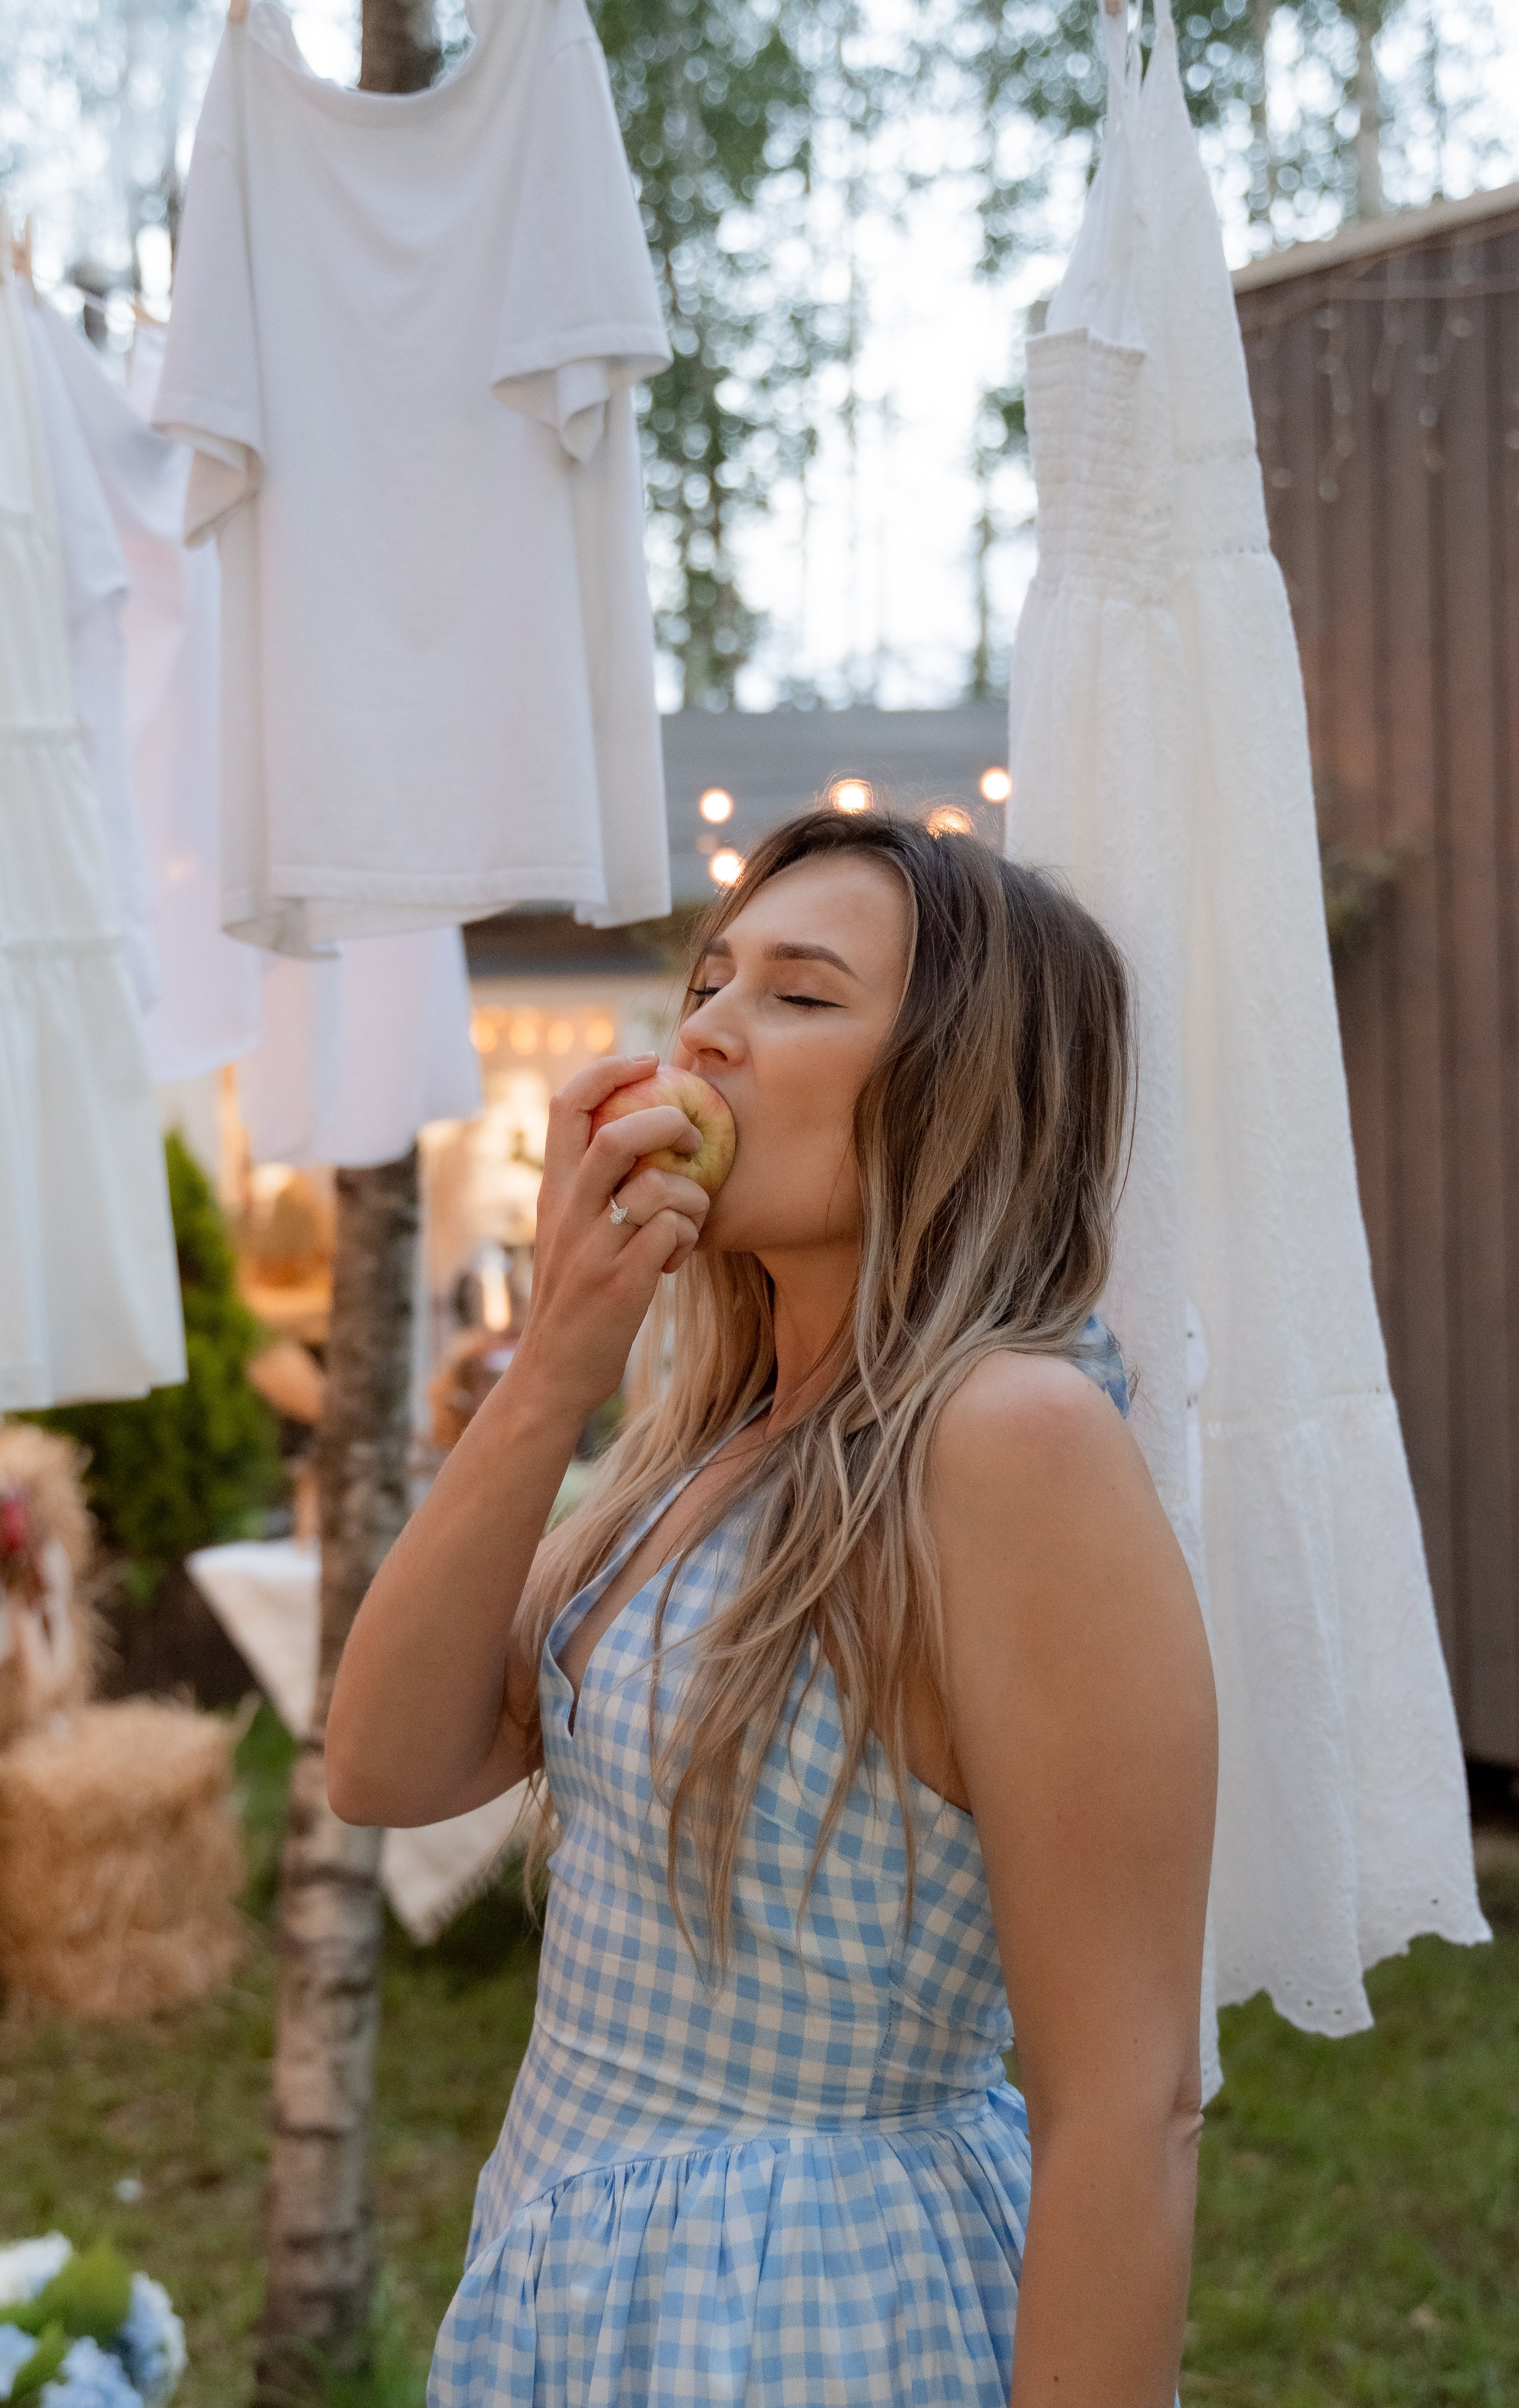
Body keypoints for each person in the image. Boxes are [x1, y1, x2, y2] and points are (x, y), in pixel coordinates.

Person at [326, 806, 1217, 2407]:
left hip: (803, 2313)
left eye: (800, 997)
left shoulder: (1009, 1441)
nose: (710, 1033)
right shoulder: (712, 1445)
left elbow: (1127, 2103)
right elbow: (383, 1766)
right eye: (710, 984)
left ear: (960, 1086)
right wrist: (552, 1371)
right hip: (582, 2278)